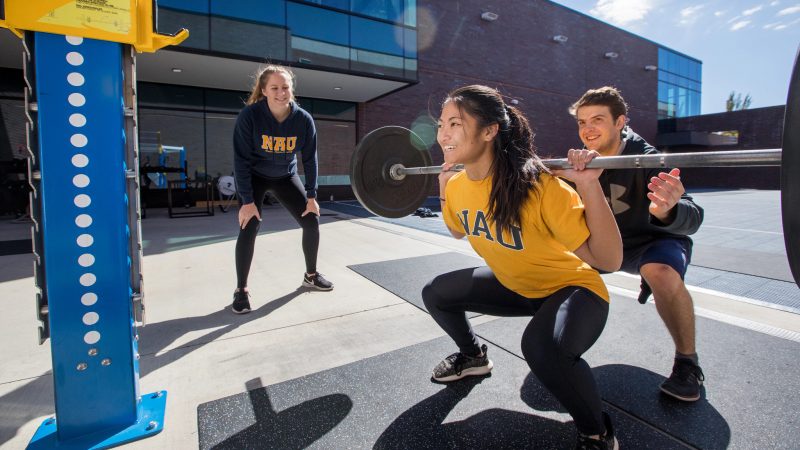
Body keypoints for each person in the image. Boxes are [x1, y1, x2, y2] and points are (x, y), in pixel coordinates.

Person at [423, 85, 622, 449]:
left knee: (542, 348)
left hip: (572, 290)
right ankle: (473, 357)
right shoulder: (458, 185)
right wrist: (442, 186)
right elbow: (455, 229)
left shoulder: (540, 186)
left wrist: (589, 186)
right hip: (516, 285)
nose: (442, 134)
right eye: (441, 124)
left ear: (489, 131)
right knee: (437, 293)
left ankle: (597, 431)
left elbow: (608, 261)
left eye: (454, 123)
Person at [567, 86, 705, 402]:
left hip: (652, 242)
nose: (587, 129)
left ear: (620, 122)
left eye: (597, 119)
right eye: (582, 121)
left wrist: (669, 210)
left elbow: (694, 216)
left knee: (660, 272)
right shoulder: (579, 162)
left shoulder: (650, 159)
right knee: (555, 261)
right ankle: (553, 345)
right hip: (606, 246)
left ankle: (688, 363)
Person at [231, 65, 333, 314]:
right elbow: (241, 160)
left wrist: (311, 196)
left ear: (292, 89)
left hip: (285, 176)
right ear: (264, 90)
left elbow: (310, 159)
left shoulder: (303, 120)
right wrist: (246, 200)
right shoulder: (250, 116)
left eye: (285, 87)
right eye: (275, 88)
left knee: (311, 220)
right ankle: (241, 290)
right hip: (255, 176)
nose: (281, 92)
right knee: (249, 225)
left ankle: (311, 275)